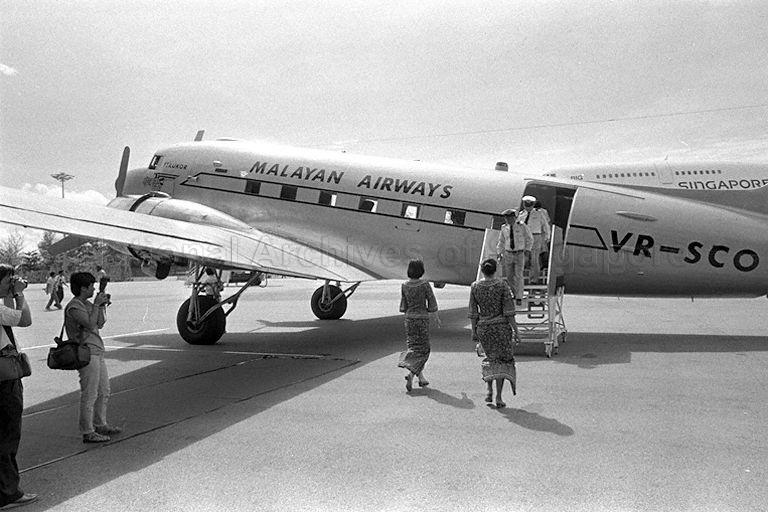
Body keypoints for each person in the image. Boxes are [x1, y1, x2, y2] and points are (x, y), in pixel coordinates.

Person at [65, 272, 121, 443]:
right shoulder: (74, 307)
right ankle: (87, 430)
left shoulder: (88, 304)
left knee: (104, 390)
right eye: (91, 286)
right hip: (86, 352)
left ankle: (100, 423)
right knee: (90, 393)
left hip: (97, 350)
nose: (93, 289)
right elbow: (89, 324)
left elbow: (100, 323)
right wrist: (97, 305)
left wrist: (102, 305)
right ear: (83, 288)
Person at [0, 264, 38, 509]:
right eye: (9, 279)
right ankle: (8, 494)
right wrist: (20, 294)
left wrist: (9, 294)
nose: (13, 282)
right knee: (7, 434)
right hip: (4, 379)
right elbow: (24, 319)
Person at [468, 258, 520, 409]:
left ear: (482, 270)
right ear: (495, 270)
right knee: (502, 361)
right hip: (501, 328)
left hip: (484, 329)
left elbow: (473, 312)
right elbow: (509, 312)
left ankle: (489, 390)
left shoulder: (475, 286)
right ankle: (498, 396)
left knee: (490, 359)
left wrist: (473, 330)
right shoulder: (502, 285)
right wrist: (516, 331)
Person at [397, 259, 440, 392]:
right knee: (424, 349)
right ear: (421, 270)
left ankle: (421, 378)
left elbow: (403, 306)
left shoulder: (404, 285)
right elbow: (431, 302)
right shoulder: (425, 285)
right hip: (422, 319)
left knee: (414, 347)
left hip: (409, 319)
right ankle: (410, 374)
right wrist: (436, 317)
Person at [495, 208, 533, 302]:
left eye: (509, 218)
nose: (507, 220)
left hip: (519, 253)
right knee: (509, 276)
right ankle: (515, 294)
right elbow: (501, 241)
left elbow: (529, 238)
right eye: (506, 218)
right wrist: (499, 252)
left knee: (519, 275)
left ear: (514, 217)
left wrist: (527, 250)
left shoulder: (522, 226)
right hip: (508, 254)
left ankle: (519, 296)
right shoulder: (504, 228)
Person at [518, 195, 550, 284]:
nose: (528, 207)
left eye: (530, 205)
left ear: (532, 205)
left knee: (534, 259)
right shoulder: (521, 215)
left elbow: (546, 225)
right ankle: (519, 278)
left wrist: (547, 236)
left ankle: (533, 279)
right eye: (526, 205)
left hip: (536, 236)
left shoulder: (539, 213)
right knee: (523, 258)